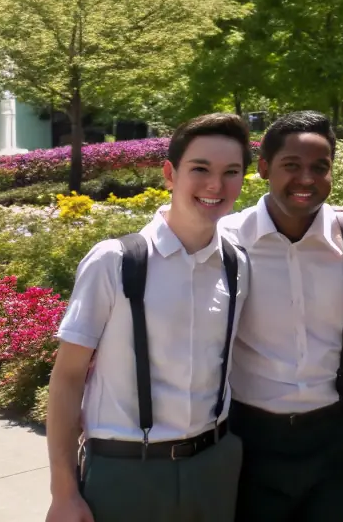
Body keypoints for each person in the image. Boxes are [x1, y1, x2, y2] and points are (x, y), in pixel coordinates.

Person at [45, 112, 251, 522]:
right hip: (126, 471)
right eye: (200, 169)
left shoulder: (237, 264)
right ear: (170, 175)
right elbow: (67, 378)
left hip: (214, 466)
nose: (216, 185)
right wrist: (63, 492)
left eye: (231, 172)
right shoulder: (116, 260)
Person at [221, 111, 343, 521]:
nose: (306, 178)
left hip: (336, 440)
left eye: (319, 167)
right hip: (251, 439)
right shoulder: (227, 242)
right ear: (264, 168)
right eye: (291, 165)